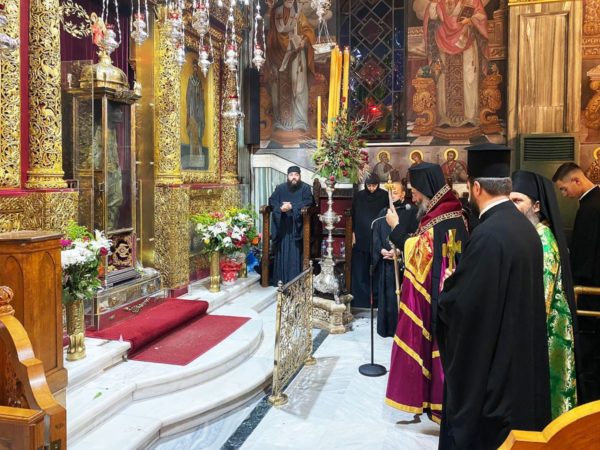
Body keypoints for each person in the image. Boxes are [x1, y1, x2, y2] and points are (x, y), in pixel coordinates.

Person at [437, 143, 551, 449]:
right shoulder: (525, 228)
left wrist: (448, 290)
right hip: (519, 360)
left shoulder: (488, 235)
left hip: (495, 379)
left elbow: (467, 309)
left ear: (475, 187)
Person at [385, 162, 468, 423]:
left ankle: (434, 402)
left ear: (426, 187)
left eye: (415, 189)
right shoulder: (453, 212)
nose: (413, 194)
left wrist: (395, 227)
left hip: (436, 296)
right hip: (449, 292)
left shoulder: (439, 220)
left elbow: (418, 253)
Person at [510, 170, 578, 419]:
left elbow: (540, 297)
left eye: (518, 201)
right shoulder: (530, 235)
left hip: (550, 332)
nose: (512, 207)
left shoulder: (543, 241)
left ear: (536, 206)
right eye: (509, 201)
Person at [552, 162, 600, 403]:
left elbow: (585, 255)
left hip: (591, 295)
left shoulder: (591, 208)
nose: (564, 194)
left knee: (591, 359)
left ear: (577, 180)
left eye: (564, 188)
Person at [420, 0, 489, 127]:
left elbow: (482, 17)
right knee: (444, 78)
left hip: (466, 41)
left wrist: (470, 20)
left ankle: (469, 117)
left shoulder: (472, 1)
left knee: (469, 78)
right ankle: (445, 118)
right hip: (443, 41)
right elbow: (432, 18)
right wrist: (434, 4)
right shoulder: (440, 1)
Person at [372, 181, 418, 337]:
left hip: (402, 262)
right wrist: (381, 250)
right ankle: (386, 328)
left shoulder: (411, 211)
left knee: (400, 295)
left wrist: (398, 251)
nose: (392, 195)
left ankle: (401, 330)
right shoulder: (383, 212)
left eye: (395, 192)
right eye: (390, 192)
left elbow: (414, 236)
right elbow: (376, 234)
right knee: (387, 295)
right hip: (386, 262)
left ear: (403, 194)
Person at [266, 0, 316, 133]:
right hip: (278, 56)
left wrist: (304, 40)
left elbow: (308, 31)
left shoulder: (298, 13)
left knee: (299, 87)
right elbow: (271, 35)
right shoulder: (275, 14)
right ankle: (280, 122)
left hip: (297, 54)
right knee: (277, 88)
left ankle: (300, 121)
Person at [268, 166, 314, 286]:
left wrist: (292, 206)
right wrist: (280, 208)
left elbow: (309, 201)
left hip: (297, 227)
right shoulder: (280, 188)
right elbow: (272, 201)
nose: (294, 177)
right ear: (287, 176)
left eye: (296, 175)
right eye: (291, 175)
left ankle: (296, 282)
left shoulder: (305, 188)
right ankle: (281, 280)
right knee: (282, 251)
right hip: (283, 226)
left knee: (295, 253)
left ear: (300, 176)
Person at [350, 174, 389, 308]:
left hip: (378, 238)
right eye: (369, 185)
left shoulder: (384, 196)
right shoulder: (359, 196)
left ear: (378, 184)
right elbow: (353, 215)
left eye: (374, 186)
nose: (371, 188)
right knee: (360, 270)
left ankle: (377, 302)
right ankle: (361, 301)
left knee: (377, 270)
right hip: (361, 236)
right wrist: (352, 232)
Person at [186, 60, 206, 165]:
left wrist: (201, 98)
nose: (195, 69)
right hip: (192, 107)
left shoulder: (199, 80)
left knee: (199, 130)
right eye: (194, 67)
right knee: (193, 129)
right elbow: (188, 94)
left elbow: (201, 94)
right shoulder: (190, 79)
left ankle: (199, 155)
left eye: (196, 67)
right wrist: (190, 104)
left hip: (199, 107)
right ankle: (193, 158)